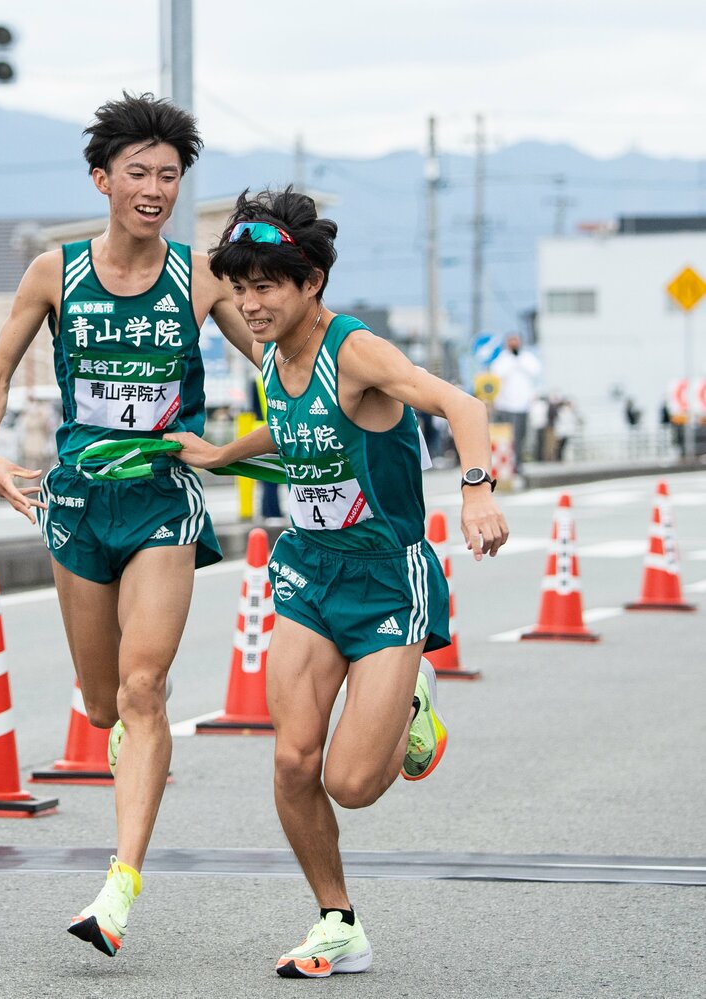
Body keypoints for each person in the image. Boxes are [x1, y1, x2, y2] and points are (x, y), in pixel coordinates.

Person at [166, 187, 509, 978]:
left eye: (266, 287)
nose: (249, 304)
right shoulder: (270, 351)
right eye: (240, 287)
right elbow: (297, 432)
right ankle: (337, 920)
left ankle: (412, 694)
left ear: (310, 283)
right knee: (292, 762)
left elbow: (460, 403)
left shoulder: (353, 350)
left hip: (388, 579)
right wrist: (222, 453)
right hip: (311, 571)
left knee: (351, 783)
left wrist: (477, 487)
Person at [0, 92, 254, 958]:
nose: (156, 188)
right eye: (139, 172)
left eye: (170, 175)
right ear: (102, 179)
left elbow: (288, 357)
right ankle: (135, 762)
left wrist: (235, 448)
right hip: (79, 503)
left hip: (163, 499)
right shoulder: (55, 272)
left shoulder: (200, 276)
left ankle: (120, 883)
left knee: (144, 687)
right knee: (102, 706)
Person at [487, 333, 541, 476]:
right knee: (507, 437)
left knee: (520, 437)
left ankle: (518, 463)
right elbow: (497, 374)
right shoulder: (502, 359)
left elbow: (535, 371)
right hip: (506, 405)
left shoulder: (527, 357)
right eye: (511, 341)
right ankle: (506, 464)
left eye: (516, 341)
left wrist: (519, 360)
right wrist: (512, 361)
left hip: (523, 405)